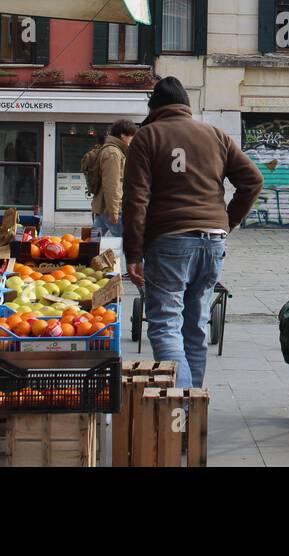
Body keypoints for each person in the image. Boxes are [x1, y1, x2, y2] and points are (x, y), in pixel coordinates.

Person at [122, 77, 264, 390]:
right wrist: (226, 222)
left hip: (170, 241)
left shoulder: (147, 137)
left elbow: (136, 200)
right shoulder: (215, 135)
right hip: (213, 243)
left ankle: (181, 409)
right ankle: (192, 406)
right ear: (186, 105)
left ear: (154, 108)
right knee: (195, 329)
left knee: (165, 327)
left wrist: (133, 254)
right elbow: (253, 181)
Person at [88, 119, 138, 245]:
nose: (132, 139)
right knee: (132, 246)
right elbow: (113, 184)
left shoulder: (112, 150)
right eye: (131, 135)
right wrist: (114, 211)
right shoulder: (113, 153)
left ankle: (84, 261)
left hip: (103, 208)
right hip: (112, 209)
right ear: (123, 135)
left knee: (92, 243)